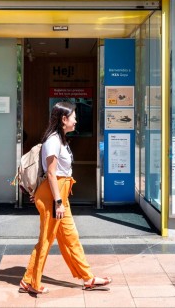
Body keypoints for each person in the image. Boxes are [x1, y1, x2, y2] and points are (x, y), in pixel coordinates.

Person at [19, 101, 112, 295]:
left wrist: (61, 199)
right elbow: (51, 174)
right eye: (74, 117)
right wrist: (58, 202)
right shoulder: (53, 140)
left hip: (59, 194)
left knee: (70, 237)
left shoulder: (60, 139)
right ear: (64, 119)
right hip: (53, 196)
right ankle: (31, 282)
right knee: (46, 239)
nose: (76, 120)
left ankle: (88, 278)